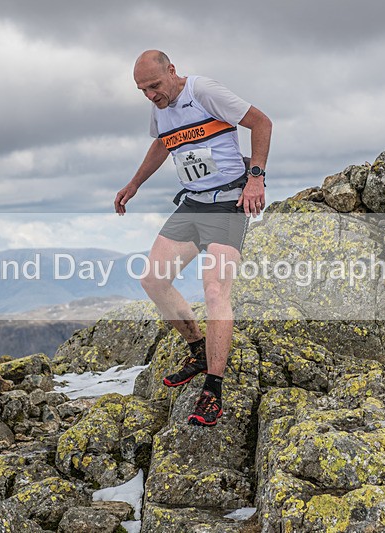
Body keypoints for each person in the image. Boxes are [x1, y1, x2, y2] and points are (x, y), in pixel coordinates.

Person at [114, 50, 272, 426]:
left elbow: (262, 123)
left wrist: (255, 178)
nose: (151, 95)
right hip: (192, 205)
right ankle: (197, 350)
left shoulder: (204, 92)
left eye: (154, 85)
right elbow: (163, 142)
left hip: (227, 204)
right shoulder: (161, 105)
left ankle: (213, 389)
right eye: (142, 90)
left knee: (215, 291)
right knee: (152, 279)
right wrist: (135, 183)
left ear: (172, 71)